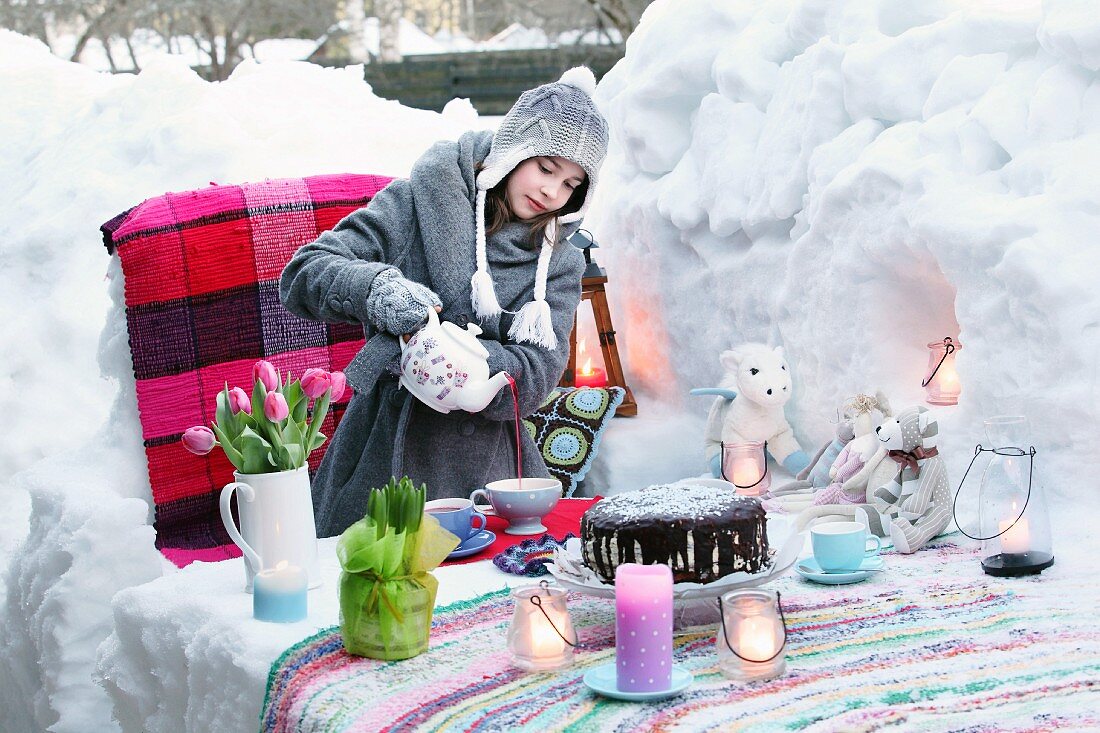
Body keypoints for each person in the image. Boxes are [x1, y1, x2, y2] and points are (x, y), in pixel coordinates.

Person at [280, 67, 610, 537]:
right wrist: (376, 289)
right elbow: (304, 272)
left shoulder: (560, 261)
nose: (551, 193)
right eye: (546, 167)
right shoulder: (420, 199)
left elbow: (539, 372)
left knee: (500, 602)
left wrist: (456, 360)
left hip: (495, 474)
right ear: (514, 148)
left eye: (571, 184)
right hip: (386, 452)